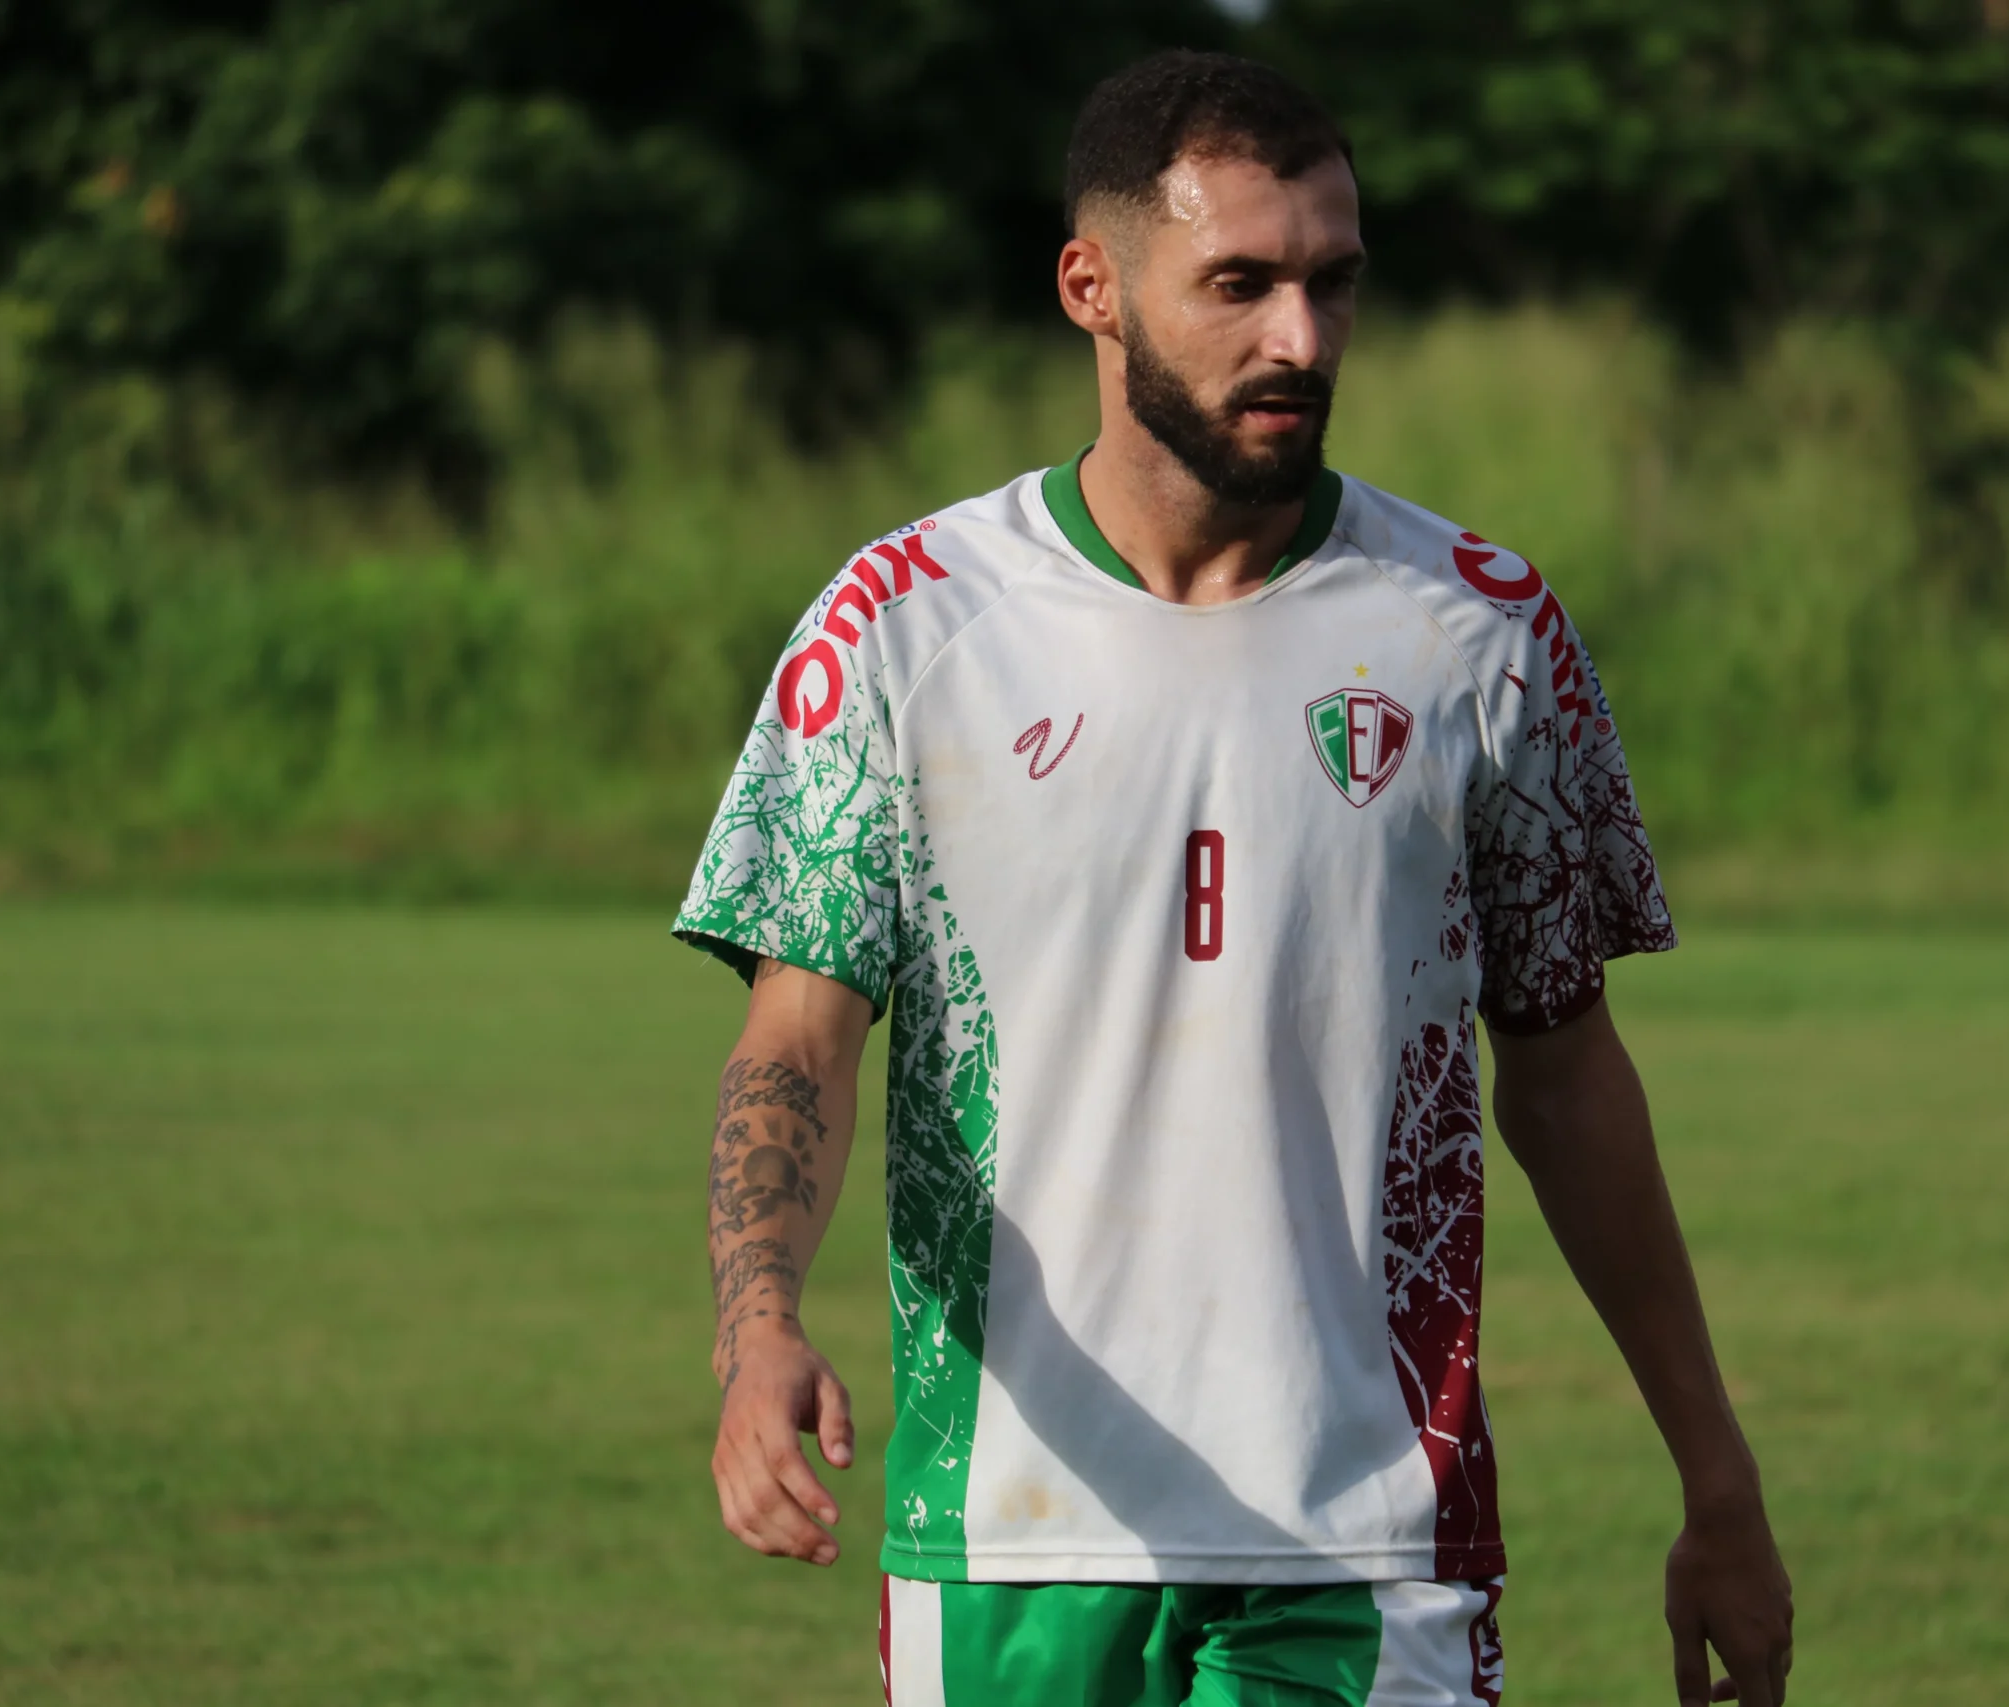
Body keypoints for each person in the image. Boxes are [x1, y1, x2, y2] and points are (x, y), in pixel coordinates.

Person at [678, 48, 1792, 1707]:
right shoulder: (902, 627)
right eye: (1242, 284)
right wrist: (755, 1323)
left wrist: (1718, 1475)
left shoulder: (1482, 634)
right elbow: (800, 1036)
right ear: (1093, 287)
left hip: (1367, 1543)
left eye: (1334, 284)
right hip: (1013, 1539)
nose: (1301, 339)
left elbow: (1567, 1077)